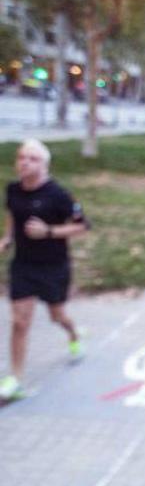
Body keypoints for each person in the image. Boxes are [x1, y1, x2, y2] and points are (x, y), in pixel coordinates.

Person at [0, 139, 89, 400]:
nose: (24, 162)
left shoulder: (59, 195)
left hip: (54, 267)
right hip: (24, 265)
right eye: (21, 157)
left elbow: (83, 226)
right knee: (19, 321)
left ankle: (73, 334)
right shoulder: (13, 189)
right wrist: (7, 239)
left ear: (44, 165)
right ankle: (15, 379)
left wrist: (49, 231)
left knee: (57, 316)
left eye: (32, 159)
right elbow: (12, 216)